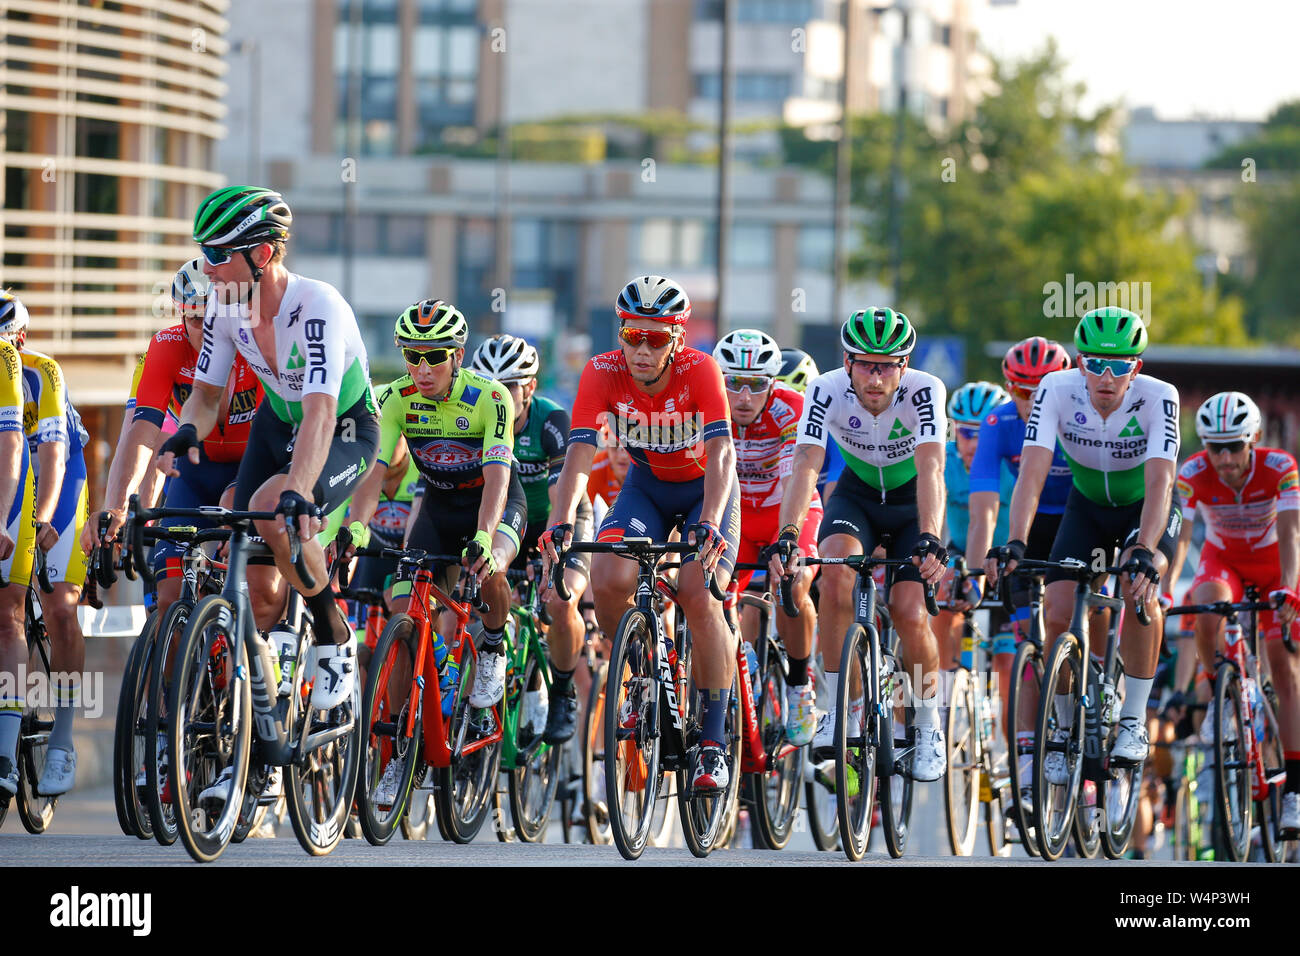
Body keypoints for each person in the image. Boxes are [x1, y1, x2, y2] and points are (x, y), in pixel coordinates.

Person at [159, 186, 378, 738]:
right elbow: (207, 397)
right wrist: (186, 429)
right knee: (241, 531)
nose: (205, 268)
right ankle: (256, 731)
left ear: (261, 254)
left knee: (271, 507)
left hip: (343, 424)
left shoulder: (316, 306)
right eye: (201, 252)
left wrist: (299, 489)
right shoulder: (228, 309)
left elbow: (322, 414)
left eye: (216, 255)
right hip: (277, 421)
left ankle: (333, 633)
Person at [541, 275, 741, 792]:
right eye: (633, 336)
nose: (643, 350)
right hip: (648, 487)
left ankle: (714, 744)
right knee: (607, 578)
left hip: (706, 490)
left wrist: (711, 523)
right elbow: (579, 456)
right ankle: (638, 671)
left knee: (699, 594)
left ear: (677, 338)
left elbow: (721, 454)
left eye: (656, 339)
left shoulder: (701, 370)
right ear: (621, 334)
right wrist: (560, 521)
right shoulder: (601, 371)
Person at [989, 307, 1181, 774]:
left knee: (1141, 592)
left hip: (1144, 510)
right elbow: (1031, 474)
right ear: (1079, 362)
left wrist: (1143, 552)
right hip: (1088, 508)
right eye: (1095, 363)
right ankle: (1063, 725)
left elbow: (1160, 483)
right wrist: (1016, 540)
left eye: (1120, 366)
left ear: (1137, 367)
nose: (1107, 376)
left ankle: (1134, 718)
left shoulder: (1160, 397)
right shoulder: (1056, 390)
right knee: (1056, 610)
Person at [770, 307, 950, 782]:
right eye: (866, 364)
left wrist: (930, 534)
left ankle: (928, 724)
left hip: (914, 505)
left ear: (904, 366)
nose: (876, 376)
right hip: (858, 496)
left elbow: (932, 466)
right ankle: (839, 709)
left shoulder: (926, 390)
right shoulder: (825, 389)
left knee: (910, 611)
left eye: (887, 364)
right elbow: (807, 460)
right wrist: (788, 532)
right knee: (834, 576)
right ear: (848, 362)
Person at [345, 301, 524, 726]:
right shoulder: (393, 398)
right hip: (439, 512)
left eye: (434, 357)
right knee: (404, 619)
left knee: (490, 566)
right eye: (412, 356)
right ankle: (398, 740)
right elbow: (375, 471)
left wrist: (484, 535)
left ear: (457, 356)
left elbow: (498, 478)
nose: (422, 368)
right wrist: (356, 526)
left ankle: (493, 648)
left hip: (493, 504)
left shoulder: (491, 397)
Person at [1164, 391, 1300, 833]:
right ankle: (1221, 696)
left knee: (1285, 672)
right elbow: (1181, 536)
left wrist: (1288, 588)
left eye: (1234, 446)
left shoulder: (1280, 468)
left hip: (1275, 562)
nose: (1223, 458)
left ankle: (1295, 789)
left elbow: (1291, 531)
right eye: (1213, 447)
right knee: (1204, 607)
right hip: (1225, 561)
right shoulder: (1192, 473)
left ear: (1254, 439)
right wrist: (1166, 588)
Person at [467, 333, 591, 744]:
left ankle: (562, 690)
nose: (499, 395)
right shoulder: (474, 418)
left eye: (510, 386)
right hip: (508, 525)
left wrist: (553, 557)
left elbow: (561, 497)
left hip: (561, 520)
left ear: (530, 387)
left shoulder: (551, 421)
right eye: (490, 385)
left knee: (560, 599)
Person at [0, 292, 91, 796]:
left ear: (22, 340)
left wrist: (42, 520)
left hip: (58, 486)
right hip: (8, 486)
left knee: (59, 608)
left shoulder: (43, 373)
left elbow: (54, 457)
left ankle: (62, 736)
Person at [713, 329, 821, 744]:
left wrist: (787, 535)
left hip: (787, 512)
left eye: (756, 384)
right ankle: (735, 673)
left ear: (772, 383)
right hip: (736, 517)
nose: (743, 396)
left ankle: (798, 686)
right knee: (710, 595)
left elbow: (795, 475)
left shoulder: (792, 408)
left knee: (793, 587)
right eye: (732, 383)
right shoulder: (707, 408)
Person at [0, 297, 37, 796]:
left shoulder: (6, 359)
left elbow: (10, 444)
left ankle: (5, 752)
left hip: (9, 490)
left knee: (8, 615)